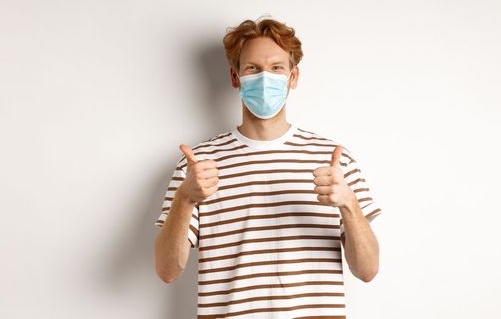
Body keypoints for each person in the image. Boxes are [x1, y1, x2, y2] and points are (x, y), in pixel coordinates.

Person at [153, 16, 382, 318]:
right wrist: (185, 198)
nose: (265, 78)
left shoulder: (334, 160)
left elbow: (367, 271)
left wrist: (349, 204)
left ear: (293, 76)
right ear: (235, 77)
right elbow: (167, 271)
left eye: (276, 68)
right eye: (252, 68)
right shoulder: (198, 165)